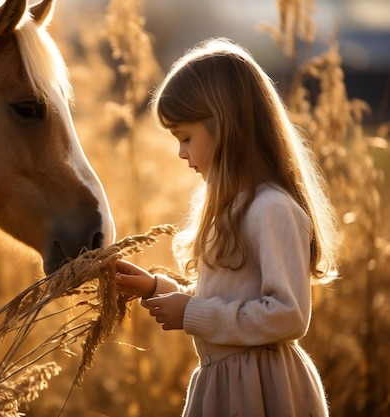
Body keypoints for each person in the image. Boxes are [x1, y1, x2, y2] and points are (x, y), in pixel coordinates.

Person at [115, 37, 340, 417]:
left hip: (265, 390)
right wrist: (159, 288)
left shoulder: (272, 209)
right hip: (226, 387)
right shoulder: (230, 208)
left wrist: (191, 313)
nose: (181, 153)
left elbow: (288, 314)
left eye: (186, 138)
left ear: (226, 127)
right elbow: (230, 294)